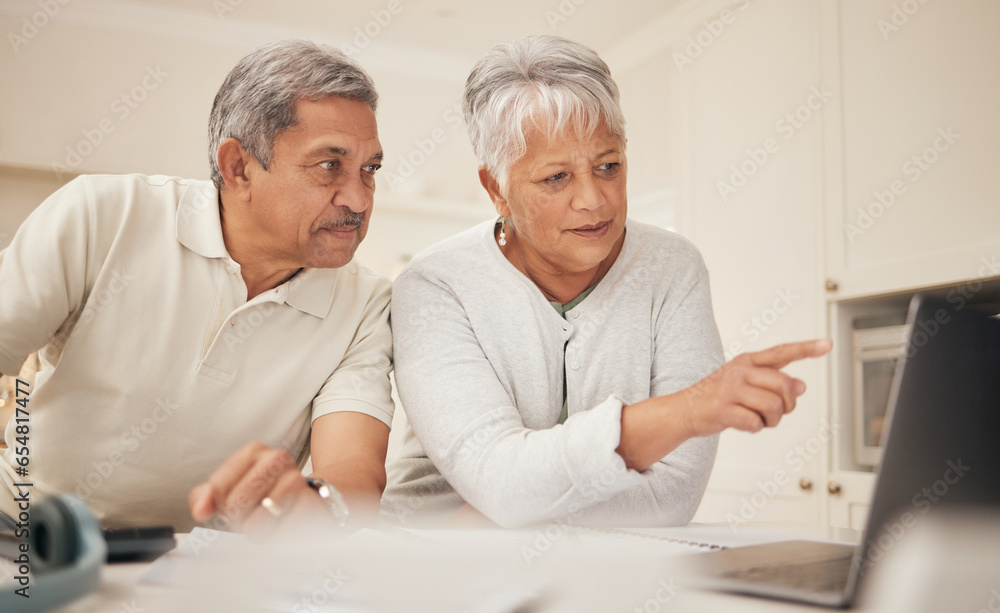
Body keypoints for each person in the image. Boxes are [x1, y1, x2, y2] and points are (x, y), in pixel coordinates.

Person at [381, 35, 831, 528]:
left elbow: (673, 498)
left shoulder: (672, 267)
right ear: (497, 189)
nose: (594, 200)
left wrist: (497, 514)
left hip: (593, 569)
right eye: (556, 178)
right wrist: (685, 412)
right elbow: (499, 483)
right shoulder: (434, 284)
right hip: (434, 571)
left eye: (608, 166)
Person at [0, 40, 393, 532]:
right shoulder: (104, 214)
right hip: (25, 543)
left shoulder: (367, 304)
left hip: (201, 578)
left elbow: (353, 474)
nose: (358, 198)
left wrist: (317, 504)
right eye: (328, 165)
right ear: (238, 167)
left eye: (370, 170)